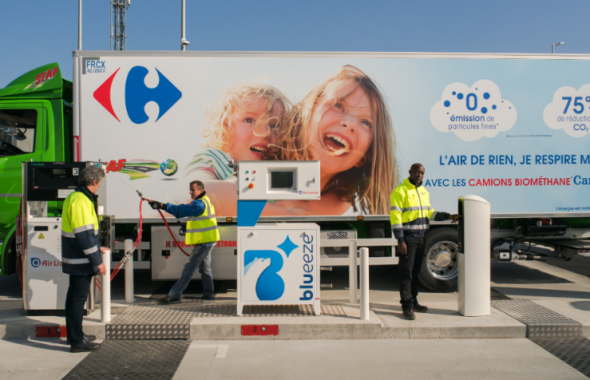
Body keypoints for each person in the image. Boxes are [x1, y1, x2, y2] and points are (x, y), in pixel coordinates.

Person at [263, 65, 399, 216]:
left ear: (363, 158)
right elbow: (232, 197)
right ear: (308, 111)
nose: (349, 124)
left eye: (366, 122)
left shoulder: (341, 199)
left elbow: (303, 215)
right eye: (338, 105)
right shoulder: (263, 156)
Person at [176, 84, 290, 216]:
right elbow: (196, 192)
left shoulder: (275, 177)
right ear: (225, 126)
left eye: (274, 125)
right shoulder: (213, 159)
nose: (264, 132)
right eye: (249, 120)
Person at [390, 163, 459, 320]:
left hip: (422, 237)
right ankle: (406, 306)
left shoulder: (423, 191)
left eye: (422, 172)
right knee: (406, 273)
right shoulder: (400, 191)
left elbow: (430, 213)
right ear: (410, 172)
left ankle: (414, 301)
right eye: (416, 171)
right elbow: (395, 217)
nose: (419, 174)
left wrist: (449, 217)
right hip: (409, 238)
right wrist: (400, 239)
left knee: (415, 272)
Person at [62, 165, 108, 353]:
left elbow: (83, 233)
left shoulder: (74, 197)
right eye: (100, 184)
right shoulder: (82, 200)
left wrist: (97, 248)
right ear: (94, 181)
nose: (99, 187)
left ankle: (74, 335)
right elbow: (85, 234)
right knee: (78, 299)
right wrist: (97, 261)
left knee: (73, 296)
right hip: (81, 260)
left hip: (75, 257)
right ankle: (77, 342)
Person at [149, 180, 220, 303]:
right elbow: (200, 220)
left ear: (201, 190)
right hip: (207, 240)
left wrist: (162, 206)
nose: (190, 192)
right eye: (190, 189)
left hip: (205, 242)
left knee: (189, 267)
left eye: (193, 189)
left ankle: (174, 295)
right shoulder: (204, 201)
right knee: (205, 269)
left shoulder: (200, 204)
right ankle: (208, 295)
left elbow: (182, 209)